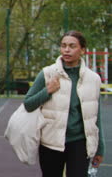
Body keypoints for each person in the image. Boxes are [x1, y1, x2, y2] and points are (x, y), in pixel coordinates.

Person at [24, 30, 105, 177]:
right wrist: (47, 91)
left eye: (72, 46)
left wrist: (100, 149)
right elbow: (28, 104)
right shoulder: (47, 73)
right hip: (51, 142)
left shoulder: (93, 79)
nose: (66, 50)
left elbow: (95, 116)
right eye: (63, 45)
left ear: (82, 50)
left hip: (80, 143)